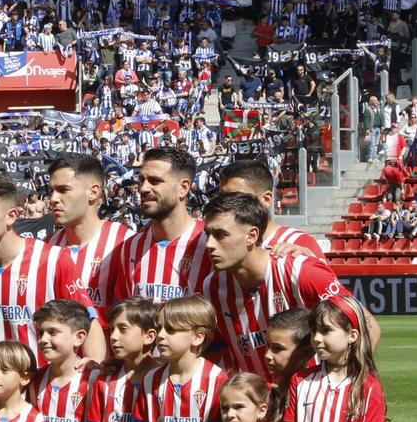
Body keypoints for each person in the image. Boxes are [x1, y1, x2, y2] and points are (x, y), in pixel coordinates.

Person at [0, 172, 101, 394]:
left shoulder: (53, 260)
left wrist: (94, 366)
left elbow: (88, 321)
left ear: (12, 216)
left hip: (42, 401)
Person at [199, 190, 358, 378]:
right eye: (207, 234)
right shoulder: (213, 287)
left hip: (311, 401)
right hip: (262, 402)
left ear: (251, 235)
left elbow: (365, 327)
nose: (209, 244)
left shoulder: (300, 271)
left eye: (220, 235)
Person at [96, 145, 209, 304]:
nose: (143, 188)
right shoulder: (130, 247)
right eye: (142, 180)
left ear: (183, 188)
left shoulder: (210, 244)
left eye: (155, 181)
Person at [46, 153, 131, 291]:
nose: (53, 198)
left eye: (63, 190)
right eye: (52, 191)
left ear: (93, 192)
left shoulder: (125, 243)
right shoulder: (48, 246)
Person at [215, 157, 325, 256]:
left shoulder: (300, 244)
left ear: (266, 199)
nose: (225, 203)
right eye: (222, 197)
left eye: (236, 197)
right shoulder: (215, 244)